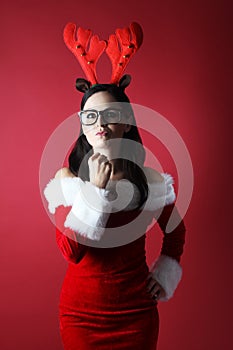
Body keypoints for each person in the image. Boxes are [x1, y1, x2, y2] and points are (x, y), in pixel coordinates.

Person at [43, 22, 186, 350]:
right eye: (90, 116)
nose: (100, 124)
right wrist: (93, 190)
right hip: (82, 316)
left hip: (136, 314)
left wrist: (165, 271)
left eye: (110, 114)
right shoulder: (68, 179)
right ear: (82, 125)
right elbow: (71, 252)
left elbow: (175, 231)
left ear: (125, 122)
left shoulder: (147, 180)